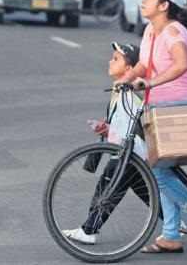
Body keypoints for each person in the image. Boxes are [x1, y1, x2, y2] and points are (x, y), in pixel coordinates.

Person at [114, 0, 187, 253]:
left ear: (164, 5)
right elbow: (145, 64)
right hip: (158, 109)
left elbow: (182, 64)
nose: (143, 1)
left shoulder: (174, 30)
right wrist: (128, 77)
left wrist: (150, 83)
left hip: (177, 108)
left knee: (159, 172)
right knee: (163, 171)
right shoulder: (150, 30)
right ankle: (170, 235)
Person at [62, 42, 154, 245]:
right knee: (146, 193)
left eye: (115, 59)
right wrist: (106, 129)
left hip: (131, 153)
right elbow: (121, 123)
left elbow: (133, 124)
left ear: (129, 69)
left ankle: (89, 230)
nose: (109, 62)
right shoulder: (118, 91)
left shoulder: (130, 92)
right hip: (124, 151)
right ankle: (182, 223)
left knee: (108, 189)